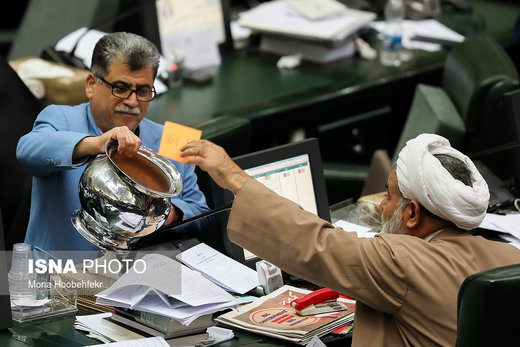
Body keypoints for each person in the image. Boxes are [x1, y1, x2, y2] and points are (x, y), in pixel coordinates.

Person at [180, 133, 520, 347]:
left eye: (387, 196)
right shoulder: (509, 257)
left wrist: (233, 177)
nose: (382, 206)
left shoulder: (402, 261)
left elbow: (314, 242)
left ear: (412, 213)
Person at [17, 32, 210, 251]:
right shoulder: (58, 118)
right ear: (91, 84)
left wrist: (164, 214)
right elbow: (27, 151)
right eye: (121, 88)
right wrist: (96, 143)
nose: (132, 101)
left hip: (143, 275)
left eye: (144, 90)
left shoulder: (173, 139)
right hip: (60, 273)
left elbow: (203, 217)